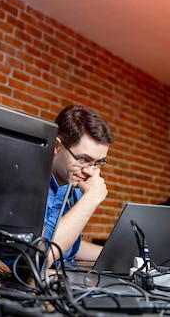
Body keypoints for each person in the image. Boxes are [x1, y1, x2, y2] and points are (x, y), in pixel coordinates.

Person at [43, 105, 115, 263]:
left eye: (98, 162)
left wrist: (121, 257)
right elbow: (40, 255)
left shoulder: (74, 185)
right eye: (84, 159)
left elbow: (66, 243)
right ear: (57, 146)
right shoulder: (28, 182)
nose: (90, 172)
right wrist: (91, 199)